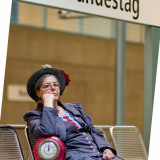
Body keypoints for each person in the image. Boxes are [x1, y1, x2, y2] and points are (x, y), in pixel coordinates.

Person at [23, 64, 123, 160]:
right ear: (37, 92)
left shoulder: (74, 107)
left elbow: (93, 130)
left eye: (56, 85)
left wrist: (106, 148)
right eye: (47, 86)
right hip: (74, 156)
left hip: (98, 154)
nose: (53, 88)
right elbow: (48, 132)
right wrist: (48, 104)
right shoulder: (34, 116)